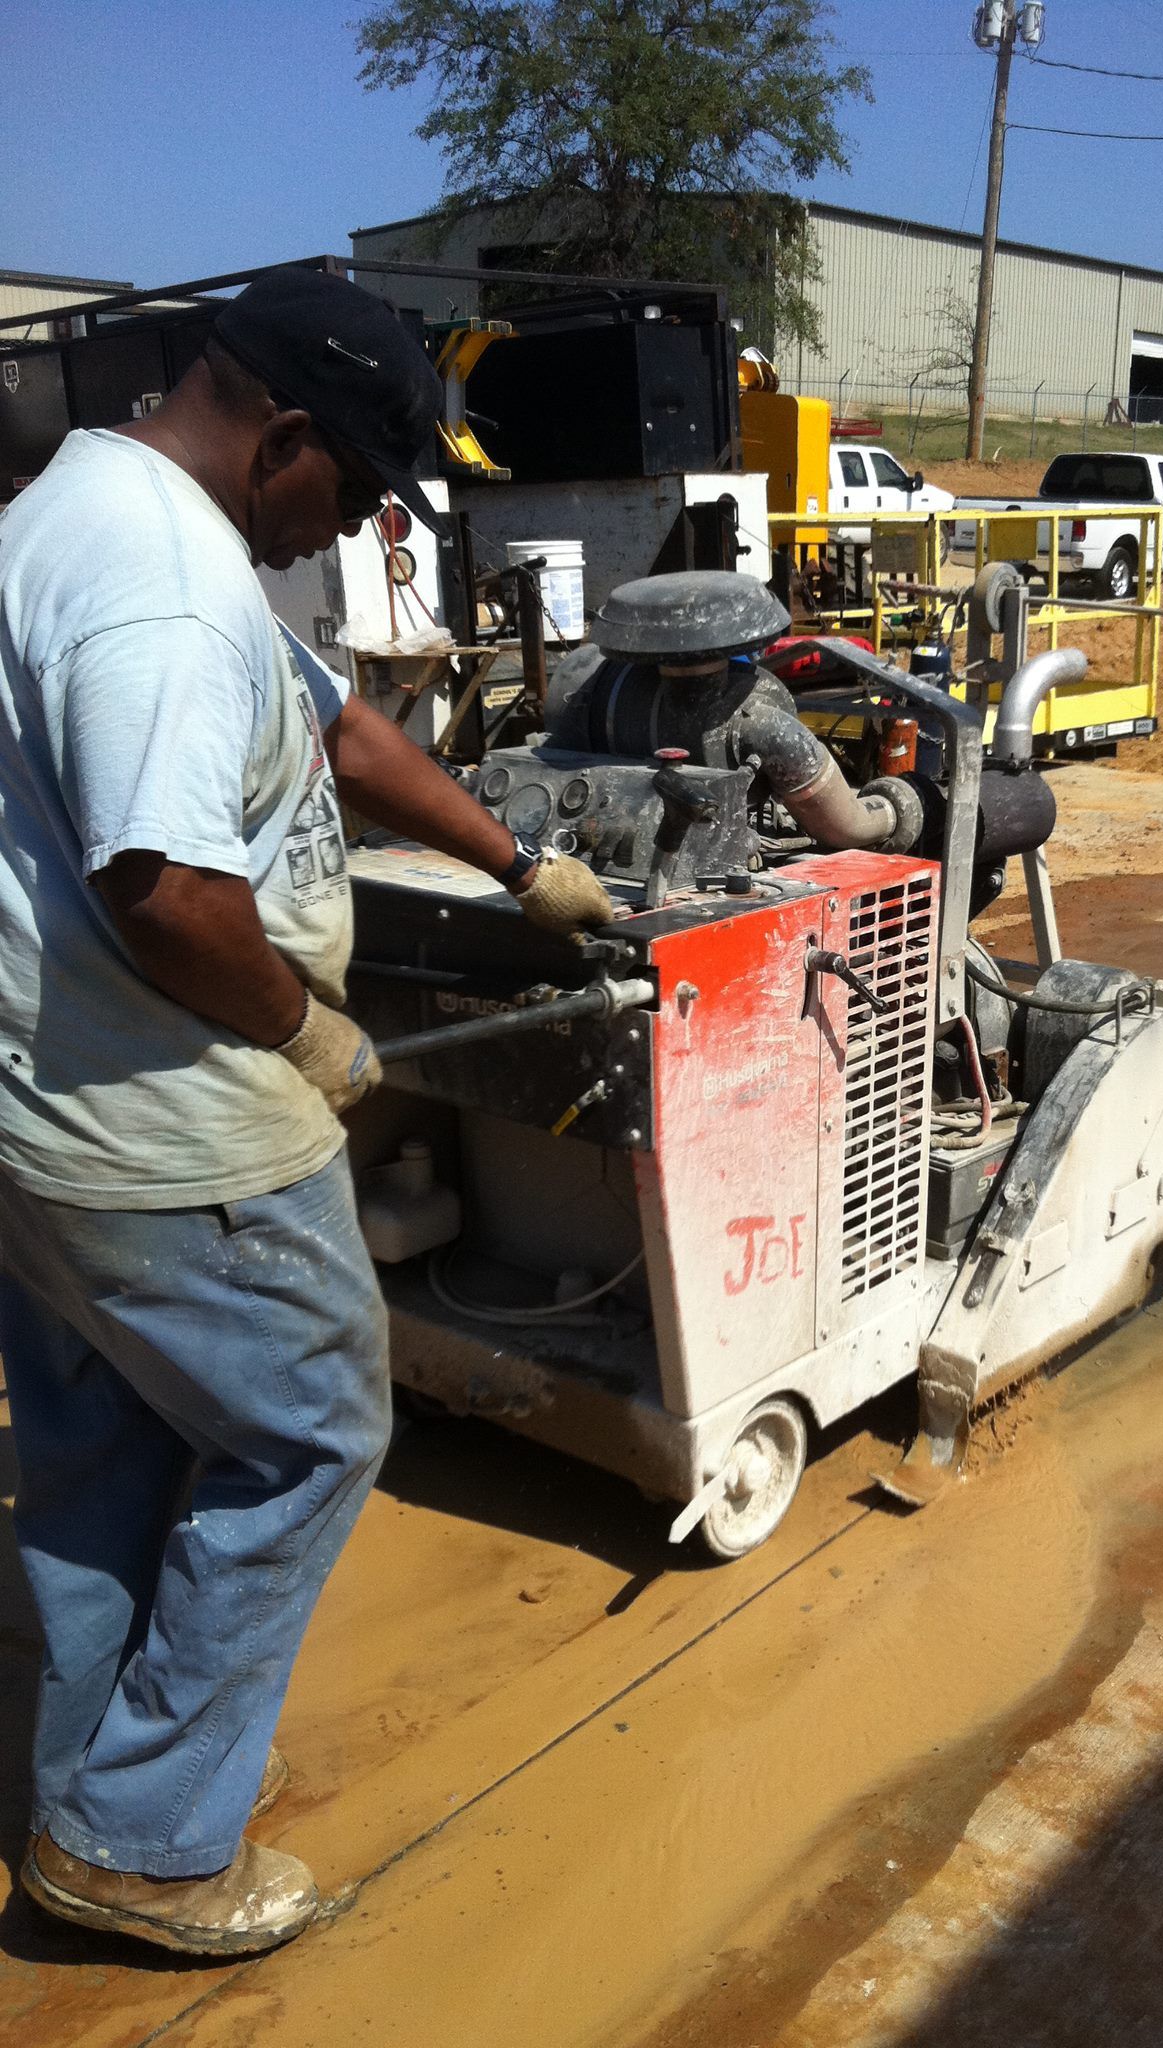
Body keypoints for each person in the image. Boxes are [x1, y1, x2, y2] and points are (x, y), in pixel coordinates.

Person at [0, 267, 612, 1955]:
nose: (343, 529)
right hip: (173, 1130)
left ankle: (75, 1781)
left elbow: (330, 723)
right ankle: (142, 1845)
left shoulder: (97, 497)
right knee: (310, 1435)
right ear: (282, 439)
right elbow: (168, 892)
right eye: (350, 489)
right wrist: (306, 1039)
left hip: (47, 1126)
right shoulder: (166, 594)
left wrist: (518, 862)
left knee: (104, 1450)